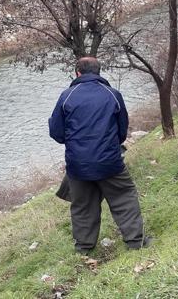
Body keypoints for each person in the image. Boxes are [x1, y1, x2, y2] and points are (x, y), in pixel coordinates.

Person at [49, 57, 148, 253]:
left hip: (77, 165)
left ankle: (84, 248)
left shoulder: (66, 96)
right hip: (110, 161)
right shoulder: (112, 94)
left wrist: (76, 146)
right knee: (124, 198)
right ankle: (136, 242)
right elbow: (122, 130)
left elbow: (56, 132)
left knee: (83, 206)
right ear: (98, 72)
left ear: (77, 72)